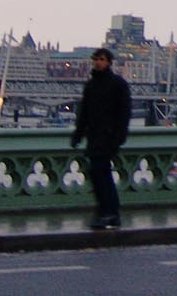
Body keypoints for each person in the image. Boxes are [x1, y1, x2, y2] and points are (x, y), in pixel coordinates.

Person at [71, 47, 132, 229]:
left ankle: (108, 212)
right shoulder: (90, 85)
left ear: (109, 63)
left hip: (108, 137)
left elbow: (124, 113)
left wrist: (119, 137)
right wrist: (78, 134)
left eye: (102, 59)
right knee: (99, 174)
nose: (98, 62)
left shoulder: (118, 84)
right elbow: (84, 113)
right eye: (96, 59)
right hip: (94, 136)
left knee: (100, 172)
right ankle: (109, 212)